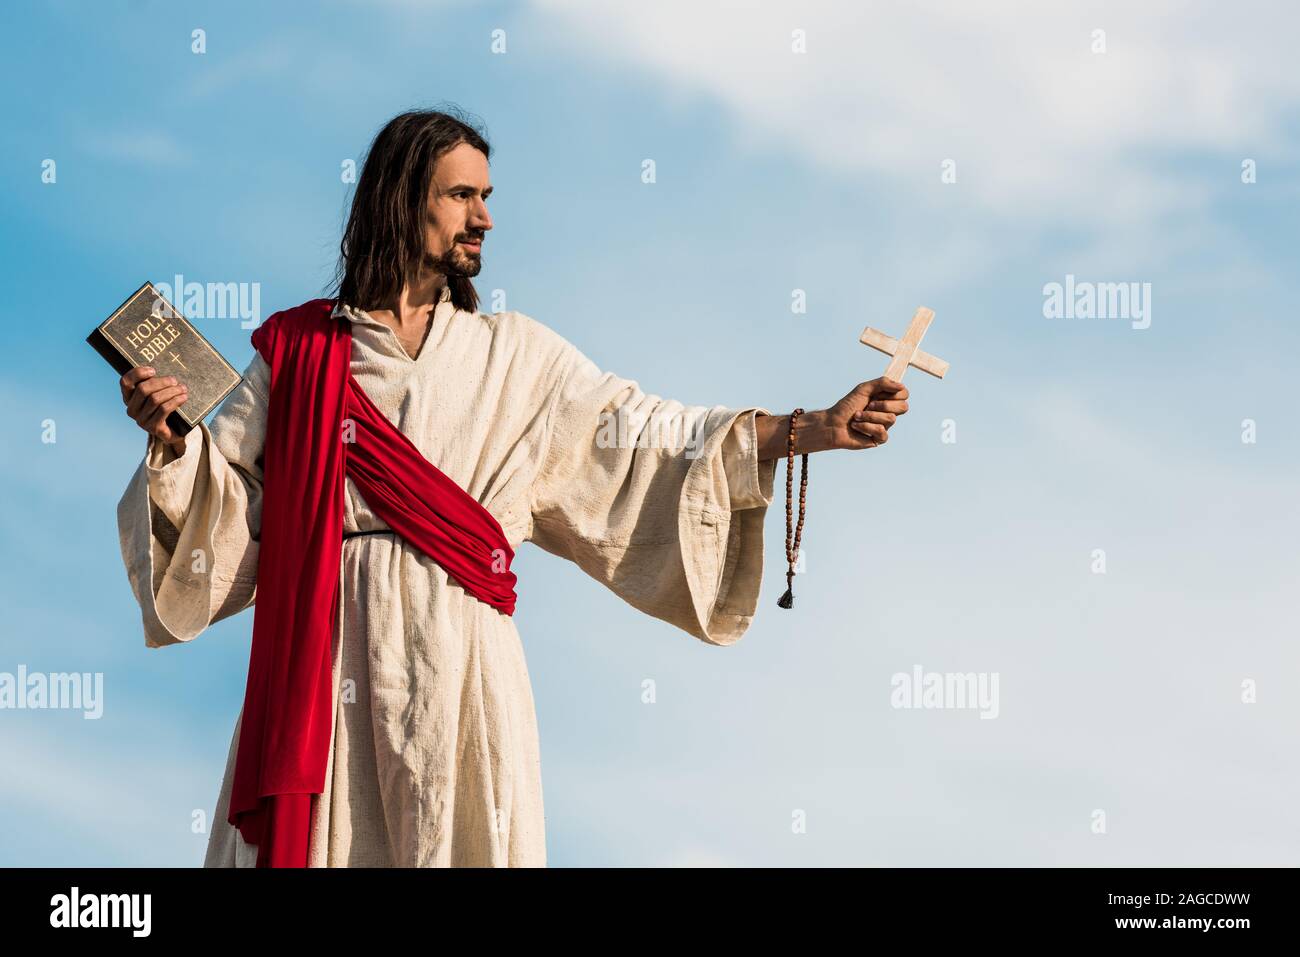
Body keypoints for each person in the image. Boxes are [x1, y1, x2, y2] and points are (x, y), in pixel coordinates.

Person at [115, 107, 909, 867]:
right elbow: (226, 505)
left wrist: (810, 428)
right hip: (328, 663)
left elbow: (649, 433)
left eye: (487, 198)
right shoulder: (298, 353)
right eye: (462, 195)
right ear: (402, 200)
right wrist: (170, 437)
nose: (485, 217)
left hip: (466, 665)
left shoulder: (516, 357)